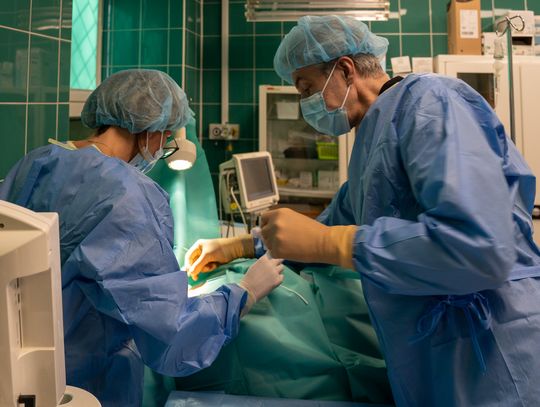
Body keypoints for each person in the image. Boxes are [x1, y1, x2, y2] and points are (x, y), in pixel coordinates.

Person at [185, 16, 540, 406]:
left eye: (306, 88)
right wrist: (240, 246)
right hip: (434, 359)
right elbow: (328, 225)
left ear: (345, 69)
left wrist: (334, 243)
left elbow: (480, 244)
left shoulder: (430, 103)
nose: (305, 105)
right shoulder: (371, 146)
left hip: (494, 349)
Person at [0, 69, 284, 407]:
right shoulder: (128, 195)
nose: (163, 148)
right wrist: (243, 295)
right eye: (166, 139)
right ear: (150, 131)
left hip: (14, 372)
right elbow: (171, 333)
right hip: (83, 384)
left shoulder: (35, 163)